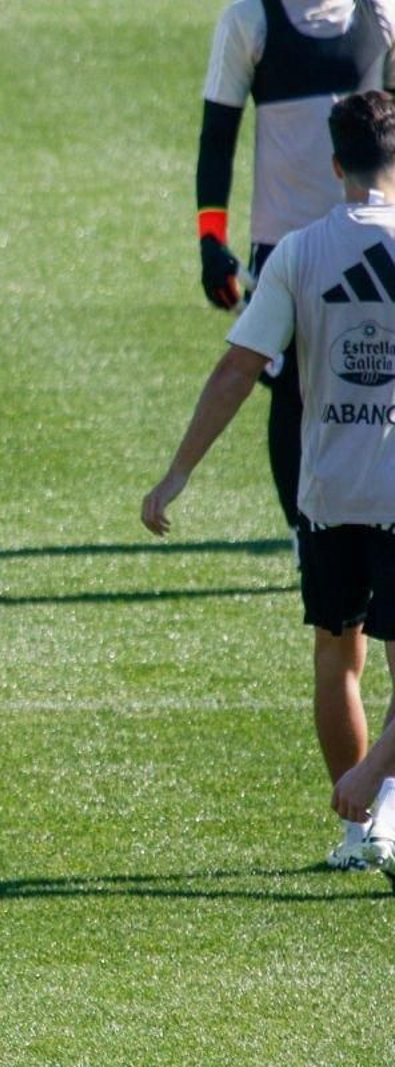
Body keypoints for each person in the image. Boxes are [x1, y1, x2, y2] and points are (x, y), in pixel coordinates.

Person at [144, 89, 395, 874]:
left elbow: (237, 369)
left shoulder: (297, 252)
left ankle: (362, 827)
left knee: (337, 657)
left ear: (332, 164)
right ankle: (378, 798)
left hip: (328, 495)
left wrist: (177, 473)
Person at [196, 0, 395, 533]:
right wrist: (211, 238)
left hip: (374, 233)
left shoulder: (382, 15)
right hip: (283, 242)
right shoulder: (250, 20)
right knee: (289, 392)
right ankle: (303, 535)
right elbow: (218, 132)